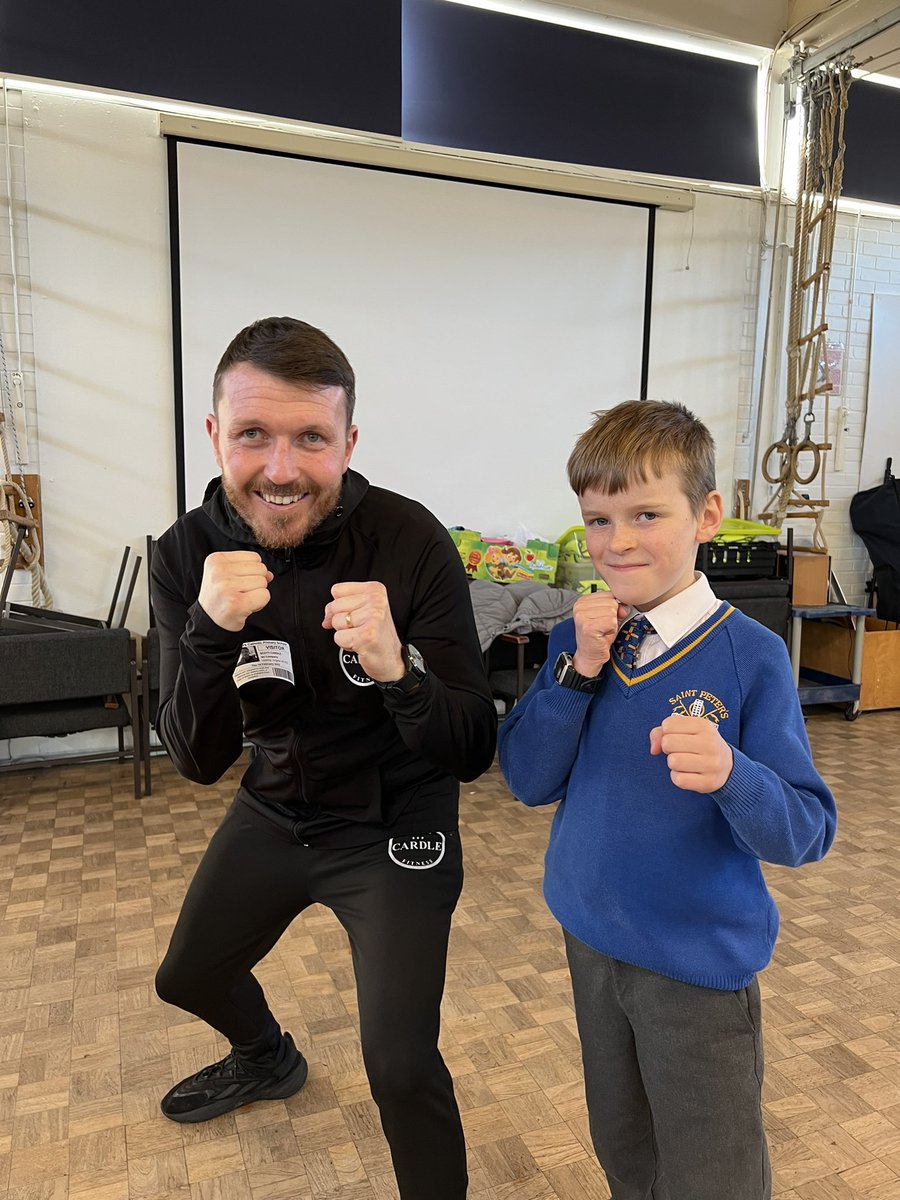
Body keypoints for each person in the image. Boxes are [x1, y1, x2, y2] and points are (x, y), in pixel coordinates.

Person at [151, 316, 496, 1200]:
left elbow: (471, 745)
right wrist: (207, 632)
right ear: (214, 435)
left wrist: (400, 672)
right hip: (274, 807)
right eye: (253, 435)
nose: (280, 468)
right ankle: (268, 1059)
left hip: (395, 826)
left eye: (311, 437)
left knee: (399, 1061)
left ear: (348, 441)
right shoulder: (187, 553)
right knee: (187, 974)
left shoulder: (410, 540)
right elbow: (195, 759)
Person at [497, 399, 836, 1200]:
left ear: (706, 515)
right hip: (590, 944)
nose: (617, 543)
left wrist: (731, 774)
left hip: (695, 969)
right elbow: (526, 779)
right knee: (624, 1148)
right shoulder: (577, 639)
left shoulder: (751, 659)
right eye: (598, 520)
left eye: (646, 513)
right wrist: (576, 671)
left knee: (711, 1172)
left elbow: (807, 830)